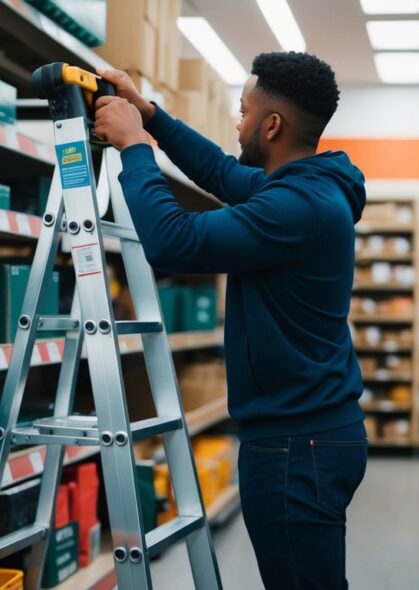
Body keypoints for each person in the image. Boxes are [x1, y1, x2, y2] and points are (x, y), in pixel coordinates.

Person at [94, 51, 367, 589]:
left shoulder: (298, 206)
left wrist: (135, 150)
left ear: (272, 125)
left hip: (295, 444)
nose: (236, 123)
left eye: (243, 112)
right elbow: (220, 170)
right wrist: (150, 116)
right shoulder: (302, 186)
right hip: (309, 433)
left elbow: (175, 243)